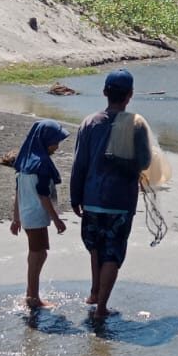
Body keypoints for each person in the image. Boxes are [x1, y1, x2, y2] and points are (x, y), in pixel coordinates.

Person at [70, 68, 152, 320]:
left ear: (105, 92)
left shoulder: (89, 123)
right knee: (113, 254)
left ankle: (94, 293)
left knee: (95, 247)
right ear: (130, 95)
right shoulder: (135, 125)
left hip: (92, 198)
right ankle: (102, 308)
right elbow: (145, 161)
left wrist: (75, 197)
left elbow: (79, 164)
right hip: (121, 201)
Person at [10, 118, 69, 309]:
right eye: (55, 142)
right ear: (45, 140)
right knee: (38, 255)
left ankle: (31, 293)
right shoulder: (42, 165)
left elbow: (18, 192)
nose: (57, 147)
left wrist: (16, 218)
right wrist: (57, 219)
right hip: (36, 216)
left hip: (27, 216)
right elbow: (44, 196)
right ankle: (33, 298)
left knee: (37, 253)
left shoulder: (24, 161)